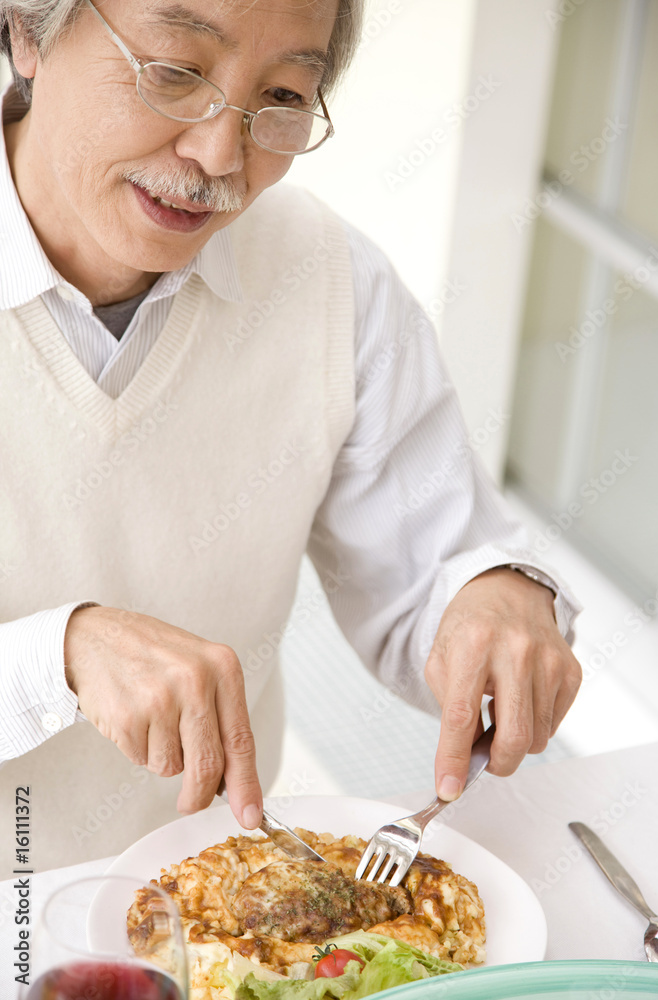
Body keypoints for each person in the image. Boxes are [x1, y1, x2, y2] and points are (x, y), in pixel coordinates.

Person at [0, 0, 582, 876]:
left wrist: (492, 596)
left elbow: (435, 564)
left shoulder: (324, 278)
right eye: (177, 72)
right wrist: (59, 658)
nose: (218, 155)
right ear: (26, 32)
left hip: (215, 908)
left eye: (279, 97)